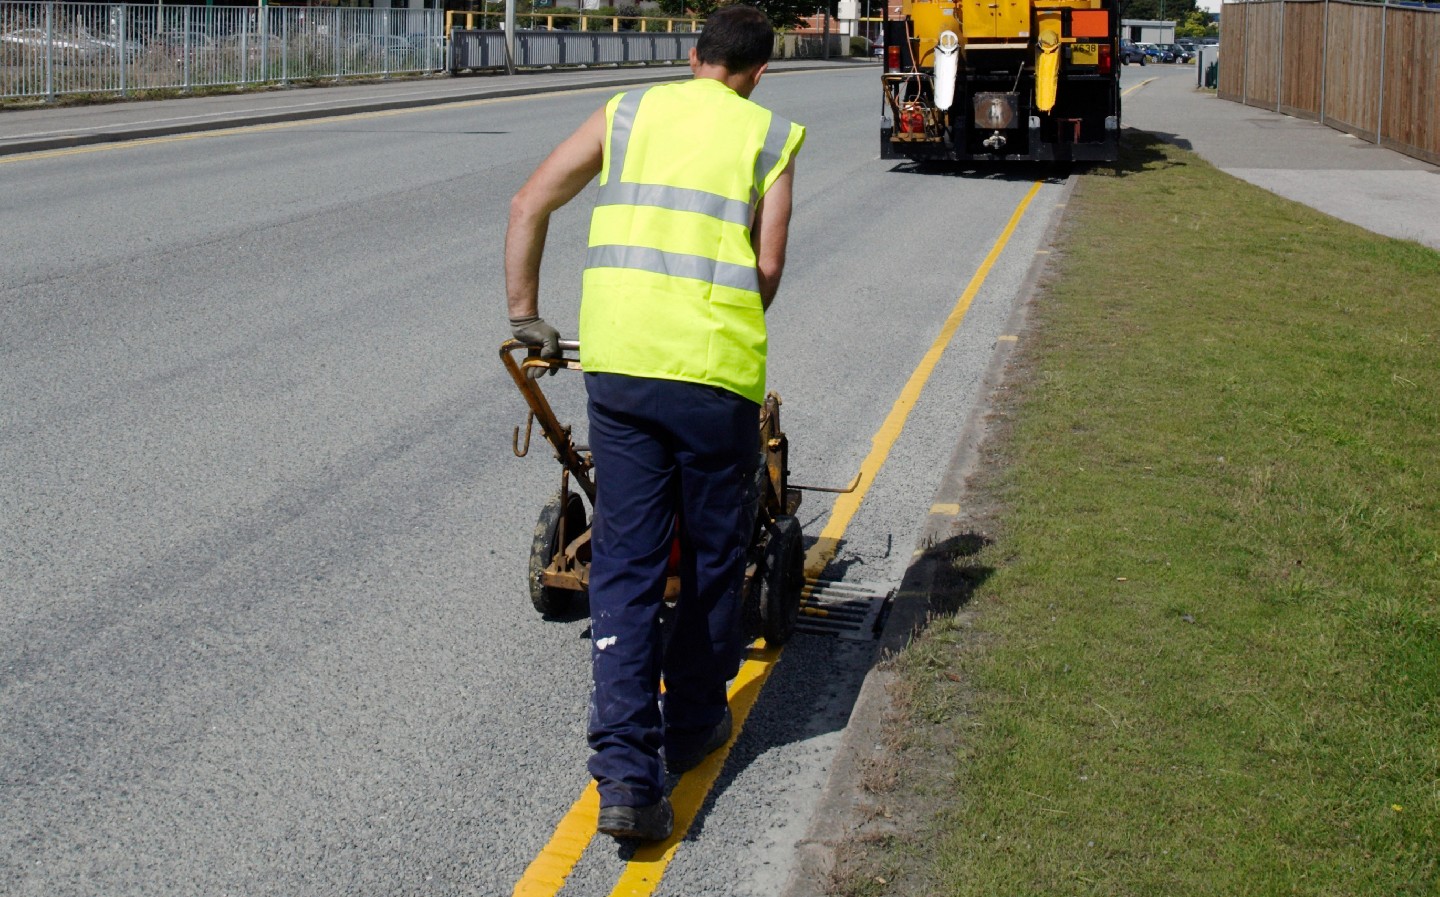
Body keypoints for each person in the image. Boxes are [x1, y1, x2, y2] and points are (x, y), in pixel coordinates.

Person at [503, 4, 804, 843]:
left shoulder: (627, 111)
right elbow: (768, 265)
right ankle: (695, 717)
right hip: (715, 378)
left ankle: (627, 775)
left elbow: (530, 203)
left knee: (628, 563)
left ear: (691, 55)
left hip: (621, 368)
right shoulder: (770, 136)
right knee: (712, 561)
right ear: (758, 72)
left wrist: (526, 313)